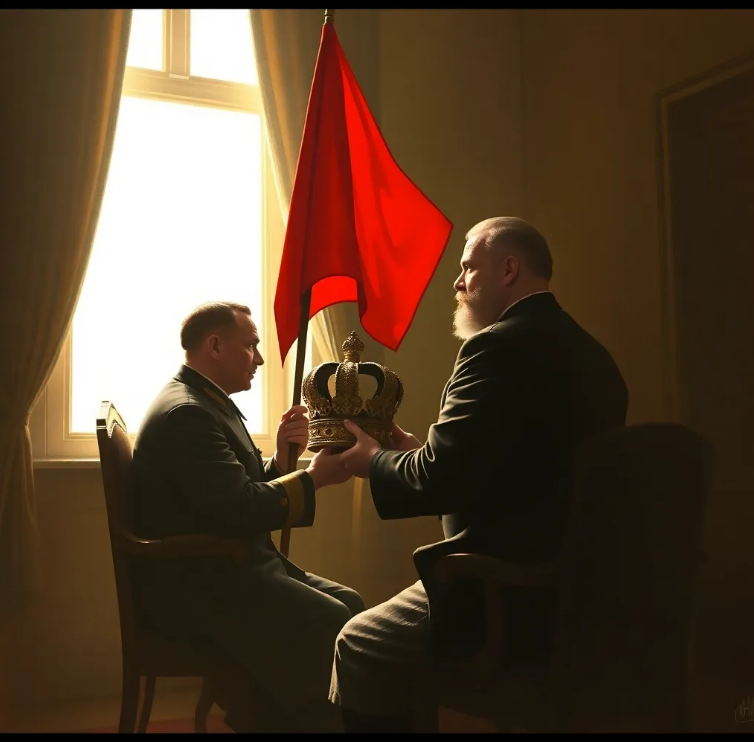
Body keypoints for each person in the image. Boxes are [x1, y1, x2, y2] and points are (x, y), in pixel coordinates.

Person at [327, 216, 629, 732]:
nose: (457, 282)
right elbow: (521, 470)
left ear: (508, 269)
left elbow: (440, 480)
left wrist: (371, 461)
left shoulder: (494, 347)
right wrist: (416, 452)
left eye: (468, 267)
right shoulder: (595, 356)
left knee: (358, 642)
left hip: (506, 594)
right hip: (584, 596)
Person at [130, 301, 363, 733]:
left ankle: (300, 717)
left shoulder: (203, 402)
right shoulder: (188, 413)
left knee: (352, 607)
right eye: (251, 345)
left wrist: (283, 460)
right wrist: (313, 478)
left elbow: (230, 492)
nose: (259, 358)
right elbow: (239, 508)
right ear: (215, 346)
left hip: (227, 568)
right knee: (334, 618)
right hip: (204, 585)